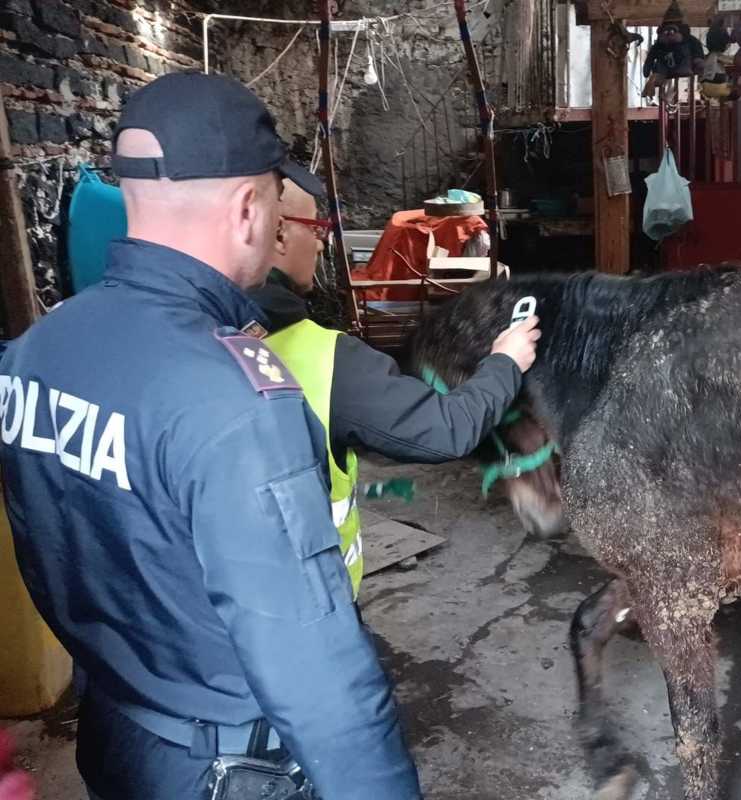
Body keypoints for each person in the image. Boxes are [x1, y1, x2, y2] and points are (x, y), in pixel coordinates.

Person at [0, 72, 531, 800]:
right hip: (228, 764)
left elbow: (54, 554)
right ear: (250, 209)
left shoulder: (37, 351)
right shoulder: (235, 399)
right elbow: (319, 678)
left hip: (117, 733)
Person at [248, 180, 539, 596]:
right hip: (306, 610)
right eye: (317, 230)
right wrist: (506, 361)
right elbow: (445, 429)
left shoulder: (174, 331)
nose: (321, 247)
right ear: (278, 233)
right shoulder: (325, 358)